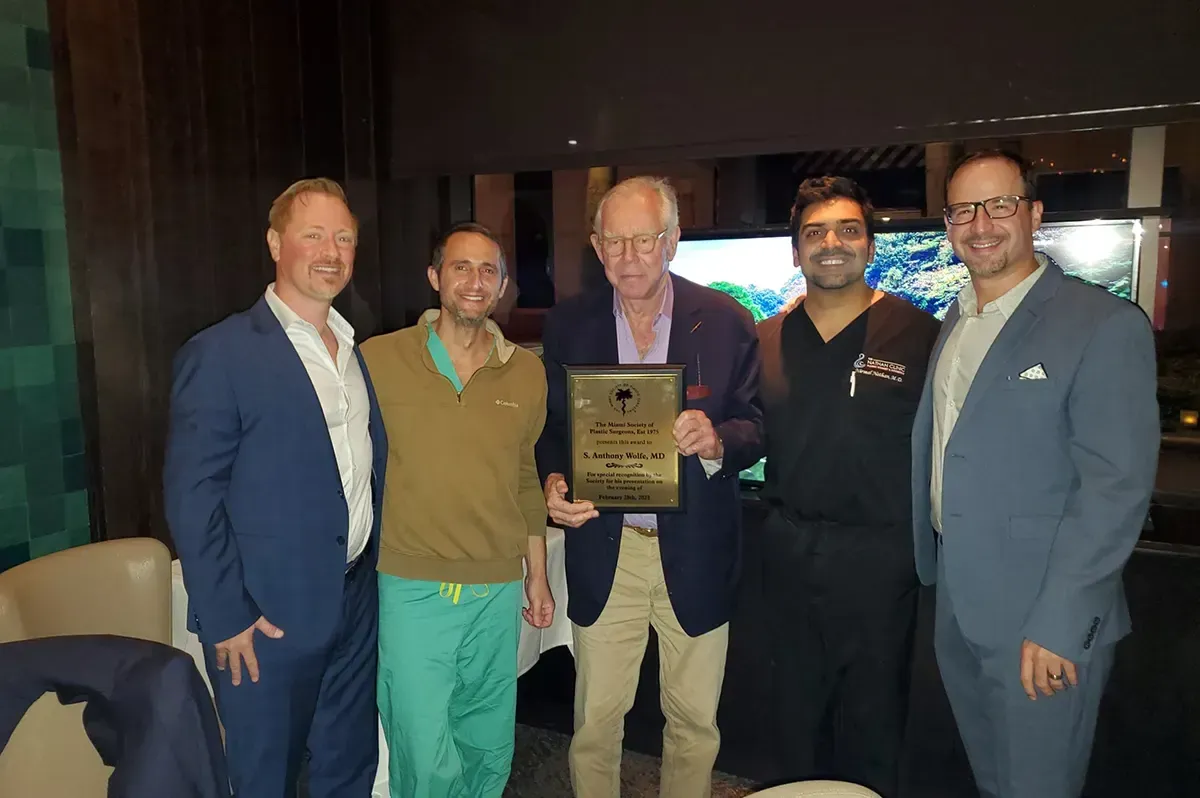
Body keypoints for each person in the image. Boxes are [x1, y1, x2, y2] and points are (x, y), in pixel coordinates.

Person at [911, 150, 1159, 797]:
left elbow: (1115, 488)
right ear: (947, 224)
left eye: (1001, 204)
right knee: (997, 782)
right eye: (965, 208)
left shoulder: (1103, 325)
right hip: (962, 608)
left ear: (1035, 214)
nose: (982, 223)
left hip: (1041, 620)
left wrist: (1060, 624)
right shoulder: (958, 319)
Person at [536, 176, 764, 798]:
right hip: (606, 548)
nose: (630, 256)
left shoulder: (724, 320)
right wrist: (553, 480)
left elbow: (756, 424)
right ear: (595, 245)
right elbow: (552, 430)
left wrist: (718, 439)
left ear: (673, 240)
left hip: (696, 550)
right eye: (615, 241)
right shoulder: (569, 326)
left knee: (693, 723)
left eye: (645, 239)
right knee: (593, 724)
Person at [164, 177, 388, 797]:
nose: (331, 251)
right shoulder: (221, 353)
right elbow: (193, 495)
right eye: (313, 234)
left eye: (344, 238)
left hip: (353, 599)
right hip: (263, 620)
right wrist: (226, 615)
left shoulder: (351, 348)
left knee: (347, 765)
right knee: (266, 776)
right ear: (274, 243)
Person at [756, 176, 940, 795]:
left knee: (873, 726)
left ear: (869, 243)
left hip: (880, 562)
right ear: (795, 250)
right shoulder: (766, 339)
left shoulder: (920, 336)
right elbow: (744, 432)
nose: (831, 243)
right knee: (792, 724)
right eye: (814, 232)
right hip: (787, 552)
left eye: (848, 230)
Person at [360, 222, 552, 798]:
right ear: (435, 277)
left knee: (486, 737)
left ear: (502, 286)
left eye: (488, 270)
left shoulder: (525, 370)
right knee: (421, 741)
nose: (475, 281)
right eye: (461, 268)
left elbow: (524, 478)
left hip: (495, 584)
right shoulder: (378, 359)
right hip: (412, 585)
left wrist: (536, 576)